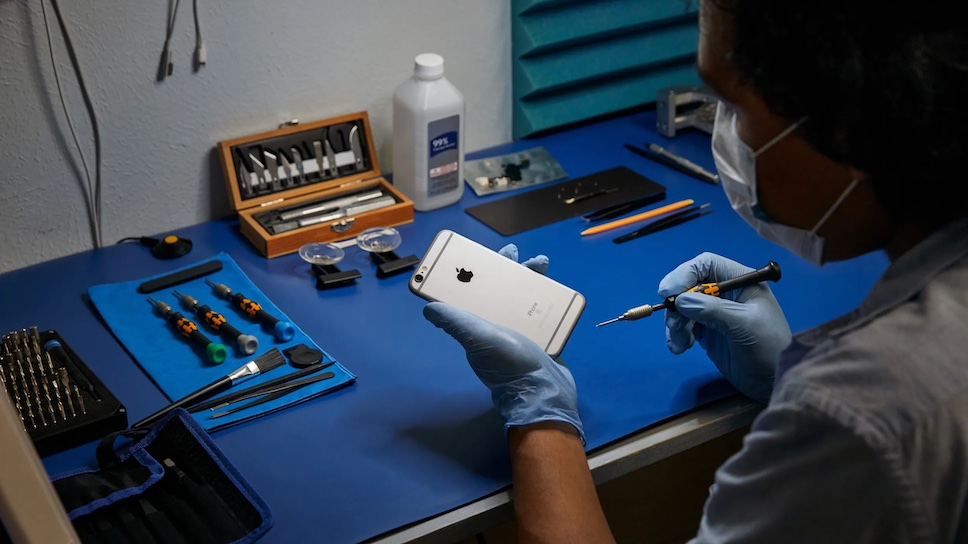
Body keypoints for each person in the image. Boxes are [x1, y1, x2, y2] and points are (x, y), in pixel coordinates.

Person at [422, 0, 968, 542]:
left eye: (733, 105)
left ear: (849, 129)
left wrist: (539, 412)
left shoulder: (865, 417)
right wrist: (779, 382)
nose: (721, 136)